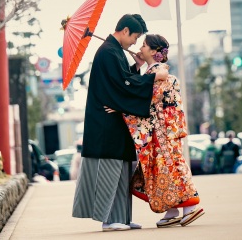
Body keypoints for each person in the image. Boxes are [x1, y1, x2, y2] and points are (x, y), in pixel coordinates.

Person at [72, 14, 170, 232]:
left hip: (114, 121)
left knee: (122, 170)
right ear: (125, 31)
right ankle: (108, 219)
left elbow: (124, 80)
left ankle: (122, 218)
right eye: (135, 37)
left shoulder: (113, 52)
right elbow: (122, 85)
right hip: (106, 122)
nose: (136, 42)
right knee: (110, 170)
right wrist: (152, 77)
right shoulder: (108, 52)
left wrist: (136, 67)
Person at [121, 33, 205, 228]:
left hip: (161, 130)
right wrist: (139, 67)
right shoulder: (155, 71)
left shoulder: (158, 73)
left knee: (172, 166)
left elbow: (143, 100)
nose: (140, 48)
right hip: (164, 129)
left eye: (144, 45)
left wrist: (120, 108)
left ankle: (188, 208)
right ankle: (173, 210)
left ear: (152, 51)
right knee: (163, 169)